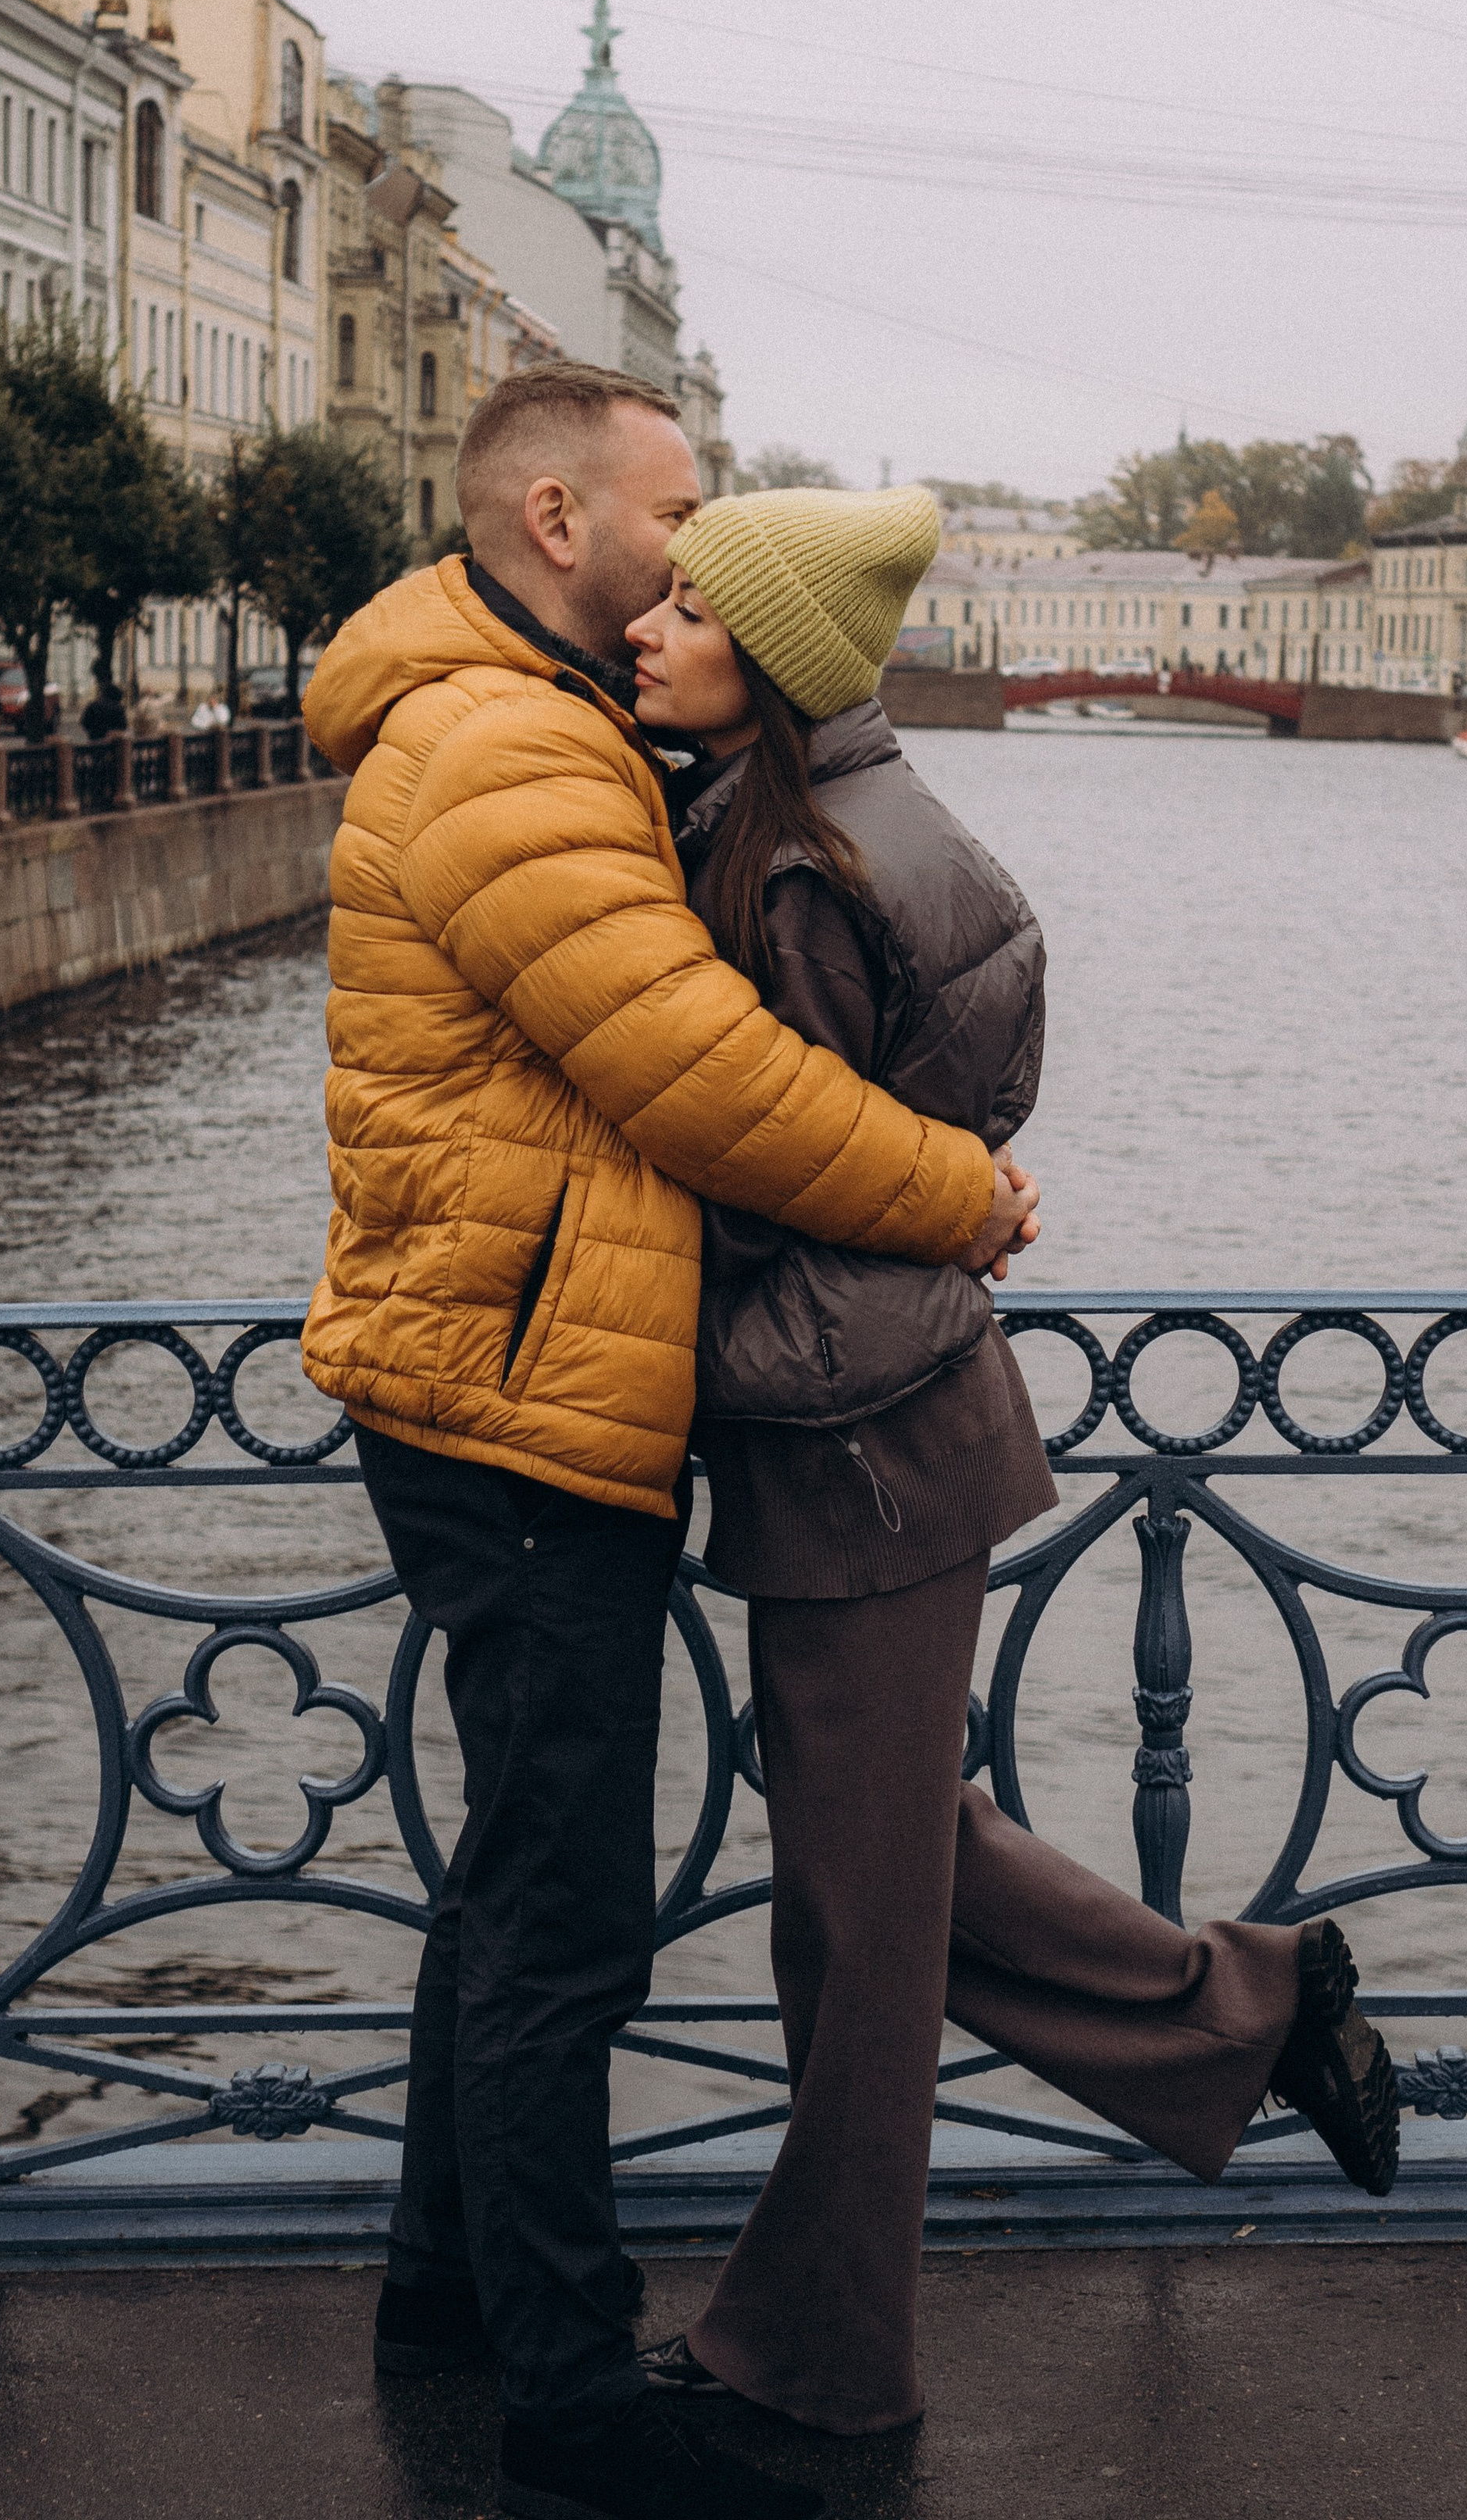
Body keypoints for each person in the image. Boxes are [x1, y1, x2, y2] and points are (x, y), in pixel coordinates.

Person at [299, 366, 1037, 2520]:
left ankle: (447, 2291)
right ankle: (568, 2399)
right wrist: (960, 1193)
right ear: (555, 519)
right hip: (518, 1398)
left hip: (513, 1369)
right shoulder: (506, 743)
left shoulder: (526, 714)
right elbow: (704, 1072)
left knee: (520, 1874)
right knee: (572, 1919)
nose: (694, 548)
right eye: (678, 507)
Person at [617, 485, 1401, 2439]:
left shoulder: (796, 867)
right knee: (894, 1868)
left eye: (692, 605)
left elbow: (774, 1159)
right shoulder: (869, 825)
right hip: (895, 1421)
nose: (647, 619)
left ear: (774, 660)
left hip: (853, 1440)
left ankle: (817, 2363)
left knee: (856, 1936)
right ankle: (1252, 2009)